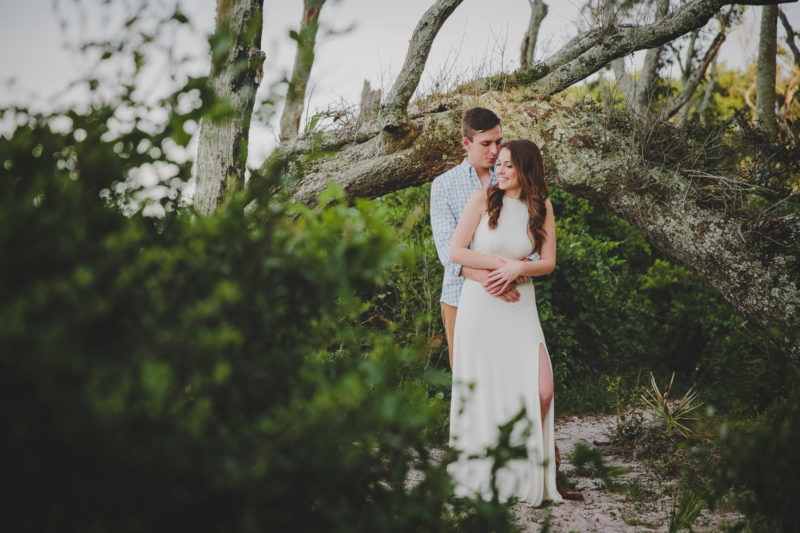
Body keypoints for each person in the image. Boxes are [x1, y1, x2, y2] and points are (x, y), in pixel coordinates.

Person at [446, 139, 561, 506]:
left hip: (520, 309)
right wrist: (502, 267)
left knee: (541, 390)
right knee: (486, 390)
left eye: (509, 165)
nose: (501, 169)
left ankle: (524, 470)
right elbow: (456, 251)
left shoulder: (541, 207)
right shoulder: (482, 200)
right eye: (500, 163)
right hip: (481, 307)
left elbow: (547, 262)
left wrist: (520, 268)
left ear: (527, 169)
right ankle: (492, 476)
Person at [430, 108, 538, 371]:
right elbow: (447, 250)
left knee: (510, 374)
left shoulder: (512, 176)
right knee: (469, 377)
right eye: (486, 143)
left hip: (513, 292)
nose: (494, 150)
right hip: (460, 296)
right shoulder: (444, 185)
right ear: (466, 143)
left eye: (498, 141)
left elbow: (533, 231)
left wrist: (523, 265)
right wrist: (494, 280)